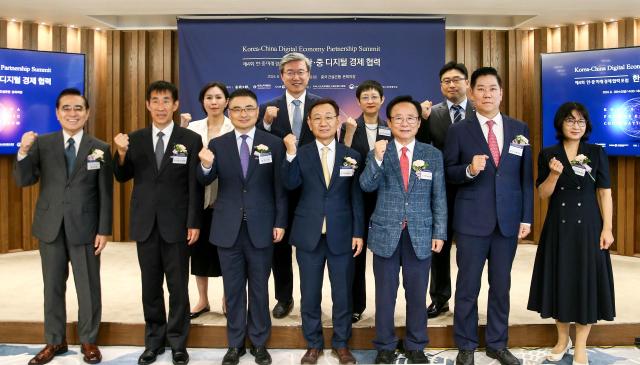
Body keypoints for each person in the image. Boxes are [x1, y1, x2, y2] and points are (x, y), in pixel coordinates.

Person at [14, 88, 113, 365]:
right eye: (66, 108)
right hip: (50, 227)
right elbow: (24, 180)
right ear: (58, 114)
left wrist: (104, 229)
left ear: (87, 113)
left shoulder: (100, 148)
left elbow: (106, 193)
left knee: (88, 287)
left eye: (78, 108)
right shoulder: (42, 144)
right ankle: (54, 340)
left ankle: (89, 340)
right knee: (53, 287)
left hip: (86, 228)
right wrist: (22, 151)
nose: (73, 113)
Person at [443, 67, 533, 365]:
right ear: (472, 94)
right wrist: (469, 169)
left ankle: (497, 343)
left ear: (501, 93)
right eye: (480, 89)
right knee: (468, 286)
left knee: (501, 285)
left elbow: (523, 178)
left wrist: (526, 217)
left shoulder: (519, 128)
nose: (487, 94)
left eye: (492, 88)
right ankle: (466, 344)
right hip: (471, 221)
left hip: (507, 221)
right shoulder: (458, 130)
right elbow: (448, 172)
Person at [113, 81, 203, 365]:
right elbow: (122, 175)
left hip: (177, 224)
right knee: (150, 286)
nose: (161, 106)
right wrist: (122, 153)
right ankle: (153, 341)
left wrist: (193, 221)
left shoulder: (189, 139)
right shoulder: (135, 138)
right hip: (145, 223)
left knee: (178, 287)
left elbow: (194, 185)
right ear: (147, 105)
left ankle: (178, 343)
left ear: (175, 105)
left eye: (167, 101)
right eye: (155, 100)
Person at [197, 88, 287, 365]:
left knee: (259, 288)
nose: (243, 113)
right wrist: (204, 165)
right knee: (234, 290)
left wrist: (280, 221)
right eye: (236, 109)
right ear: (228, 112)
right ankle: (235, 344)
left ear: (257, 111)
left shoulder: (272, 143)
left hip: (262, 226)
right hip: (228, 227)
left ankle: (260, 343)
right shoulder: (218, 144)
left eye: (249, 108)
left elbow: (279, 188)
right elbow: (205, 179)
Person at [360, 95, 447, 364]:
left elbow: (439, 197)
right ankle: (384, 345)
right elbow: (366, 185)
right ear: (389, 121)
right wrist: (375, 158)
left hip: (420, 234)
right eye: (398, 118)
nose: (405, 123)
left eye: (411, 118)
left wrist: (439, 232)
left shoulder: (432, 154)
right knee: (385, 295)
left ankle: (416, 344)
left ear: (419, 123)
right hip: (386, 233)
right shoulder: (380, 151)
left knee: (417, 293)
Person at [527, 102, 615, 365]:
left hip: (589, 226)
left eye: (580, 121)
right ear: (560, 124)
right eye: (570, 120)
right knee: (560, 281)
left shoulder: (596, 153)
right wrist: (553, 175)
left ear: (586, 126)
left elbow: (604, 192)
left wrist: (608, 227)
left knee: (585, 282)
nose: (576, 126)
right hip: (558, 227)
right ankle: (562, 340)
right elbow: (542, 194)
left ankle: (581, 346)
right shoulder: (548, 154)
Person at [282, 98, 364, 365]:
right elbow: (290, 183)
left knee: (342, 293)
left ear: (338, 120)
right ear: (309, 123)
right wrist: (291, 153)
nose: (323, 122)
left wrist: (358, 232)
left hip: (342, 233)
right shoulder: (302, 153)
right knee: (310, 292)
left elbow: (356, 197)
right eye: (317, 117)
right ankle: (313, 344)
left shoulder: (351, 156)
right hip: (309, 234)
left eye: (329, 117)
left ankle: (342, 344)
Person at [257, 52, 322, 319]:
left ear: (309, 75)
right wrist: (266, 123)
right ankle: (284, 298)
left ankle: (311, 298)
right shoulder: (268, 108)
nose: (296, 77)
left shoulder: (321, 106)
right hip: (279, 185)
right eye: (290, 72)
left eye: (301, 72)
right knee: (279, 245)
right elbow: (260, 142)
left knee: (310, 246)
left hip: (311, 186)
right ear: (281, 76)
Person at [417, 61, 474, 319]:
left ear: (467, 83)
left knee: (470, 249)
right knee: (438, 247)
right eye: (446, 81)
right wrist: (422, 120)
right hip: (440, 190)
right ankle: (439, 298)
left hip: (473, 189)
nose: (451, 84)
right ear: (441, 86)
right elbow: (420, 147)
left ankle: (467, 299)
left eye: (456, 79)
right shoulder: (432, 114)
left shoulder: (479, 111)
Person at [339, 80, 392, 323]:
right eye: (365, 97)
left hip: (385, 196)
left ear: (382, 100)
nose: (370, 100)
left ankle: (386, 307)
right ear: (358, 102)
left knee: (385, 254)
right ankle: (355, 305)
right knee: (356, 254)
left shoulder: (390, 126)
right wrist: (348, 134)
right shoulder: (350, 127)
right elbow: (342, 159)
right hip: (357, 196)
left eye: (374, 96)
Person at [180, 82, 234, 319]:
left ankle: (227, 299)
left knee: (227, 252)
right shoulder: (192, 127)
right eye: (209, 97)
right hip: (199, 199)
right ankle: (202, 300)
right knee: (199, 252)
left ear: (227, 101)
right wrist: (180, 129)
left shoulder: (235, 127)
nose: (214, 102)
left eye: (218, 97)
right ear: (202, 102)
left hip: (227, 199)